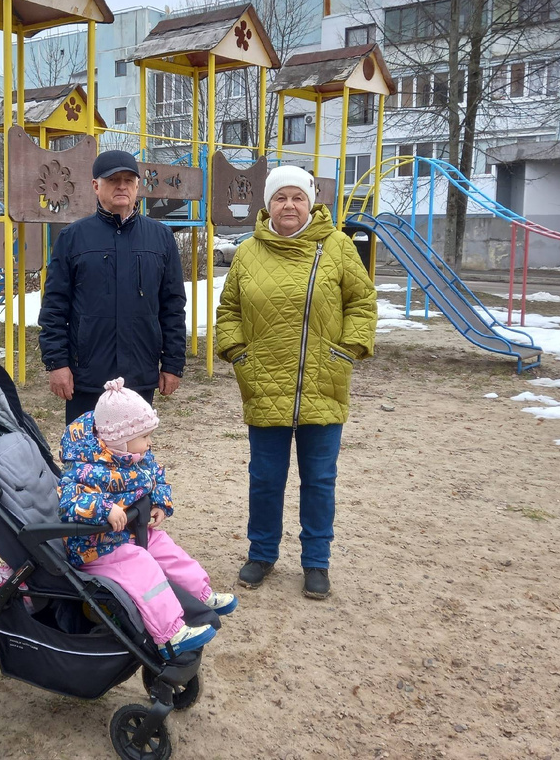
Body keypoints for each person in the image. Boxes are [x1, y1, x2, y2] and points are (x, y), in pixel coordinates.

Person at [214, 166, 376, 601]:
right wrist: (239, 354)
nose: (289, 205)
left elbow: (362, 302)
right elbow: (229, 310)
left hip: (322, 380)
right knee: (265, 478)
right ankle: (262, 553)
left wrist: (347, 351)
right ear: (268, 204)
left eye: (297, 197)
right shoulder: (248, 252)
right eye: (280, 197)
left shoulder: (337, 246)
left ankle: (316, 562)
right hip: (264, 380)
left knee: (319, 479)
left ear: (310, 202)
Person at [58, 378, 237, 657]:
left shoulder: (137, 457)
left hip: (130, 533)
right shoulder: (86, 468)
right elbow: (70, 501)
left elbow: (157, 477)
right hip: (96, 548)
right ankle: (170, 633)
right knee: (142, 565)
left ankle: (201, 593)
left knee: (165, 547)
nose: (149, 443)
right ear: (120, 440)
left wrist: (160, 503)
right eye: (144, 437)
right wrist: (105, 508)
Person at [38, 149, 187, 422]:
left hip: (139, 374)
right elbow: (54, 307)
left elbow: (173, 307)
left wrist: (173, 363)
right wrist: (57, 363)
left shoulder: (161, 238)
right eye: (113, 180)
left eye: (128, 180)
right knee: (88, 448)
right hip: (87, 376)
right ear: (96, 186)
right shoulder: (72, 238)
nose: (122, 186)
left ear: (137, 186)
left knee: (134, 447)